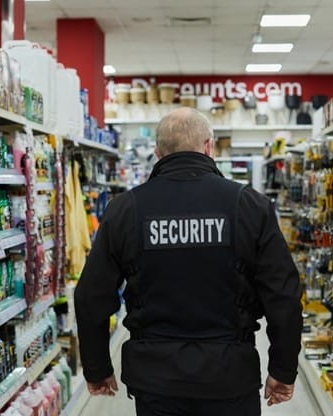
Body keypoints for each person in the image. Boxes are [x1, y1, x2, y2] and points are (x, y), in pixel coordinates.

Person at [74, 107, 303, 416]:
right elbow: (283, 295)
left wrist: (97, 367)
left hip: (156, 379)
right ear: (209, 146)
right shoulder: (250, 205)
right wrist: (283, 369)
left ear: (157, 153)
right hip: (230, 375)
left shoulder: (125, 209)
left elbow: (91, 296)